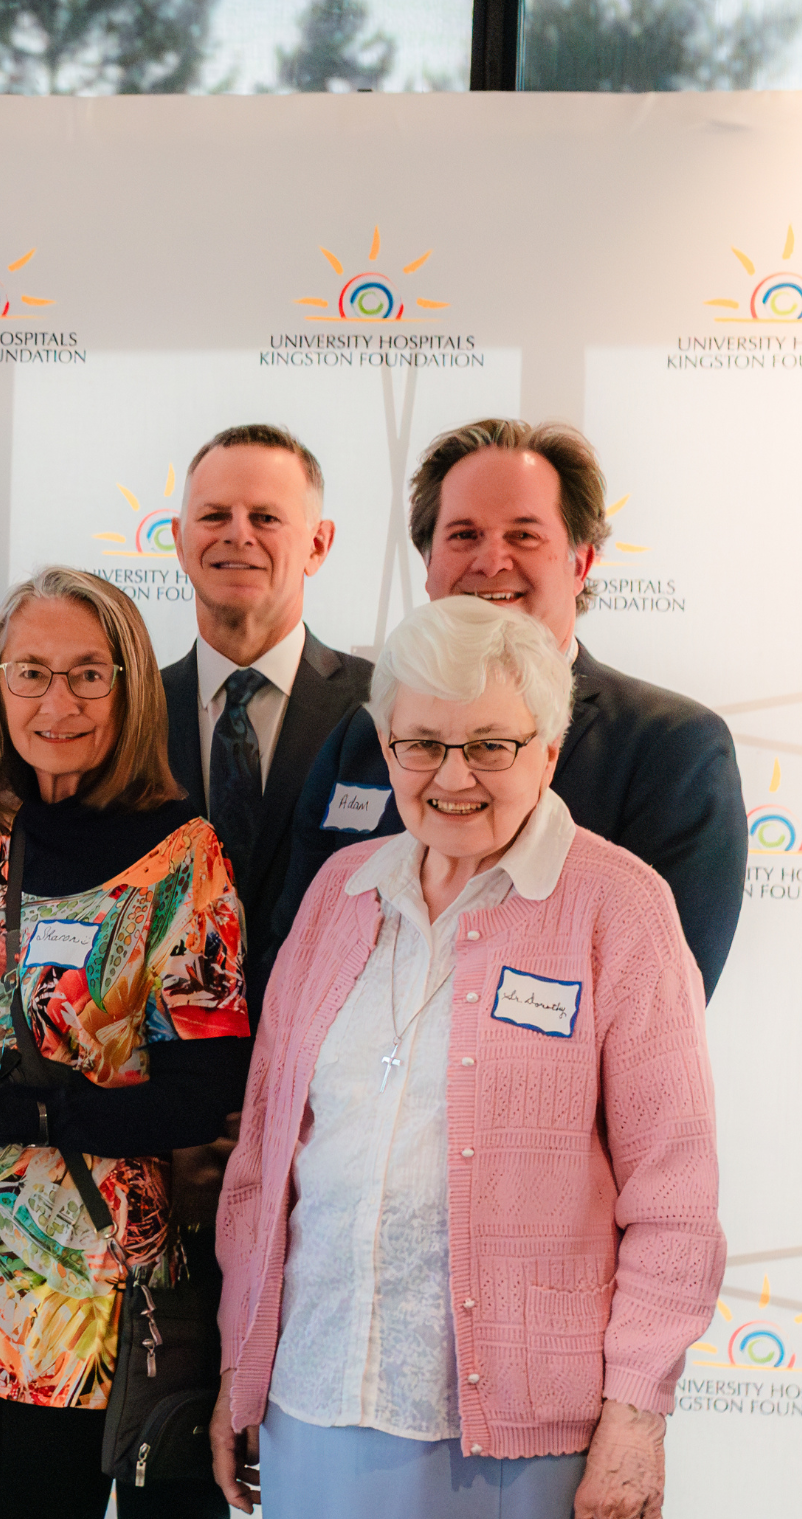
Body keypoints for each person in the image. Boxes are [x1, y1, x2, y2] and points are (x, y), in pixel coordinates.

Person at [211, 596, 722, 1519]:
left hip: (522, 1440)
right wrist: (240, 1369)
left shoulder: (620, 907)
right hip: (316, 1400)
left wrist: (636, 1421)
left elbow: (674, 1200)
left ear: (549, 751)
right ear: (388, 744)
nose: (454, 774)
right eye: (422, 743)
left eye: (492, 744)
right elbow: (264, 1161)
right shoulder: (337, 893)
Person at [0, 566, 250, 1519]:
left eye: (90, 673)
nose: (58, 701)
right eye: (29, 671)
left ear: (131, 689)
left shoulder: (184, 855)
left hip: (81, 1292)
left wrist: (17, 1111)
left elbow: (200, 1091)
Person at [276, 419, 743, 992]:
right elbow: (299, 949)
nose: (492, 561)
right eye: (464, 535)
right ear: (428, 564)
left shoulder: (672, 748)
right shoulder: (364, 730)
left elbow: (660, 1005)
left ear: (581, 563)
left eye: (524, 535)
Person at [160, 424, 371, 981]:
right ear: (180, 542)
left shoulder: (386, 710)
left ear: (318, 545)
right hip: (160, 1057)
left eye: (265, 517)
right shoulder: (127, 713)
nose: (238, 534)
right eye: (213, 517)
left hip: (326, 1048)